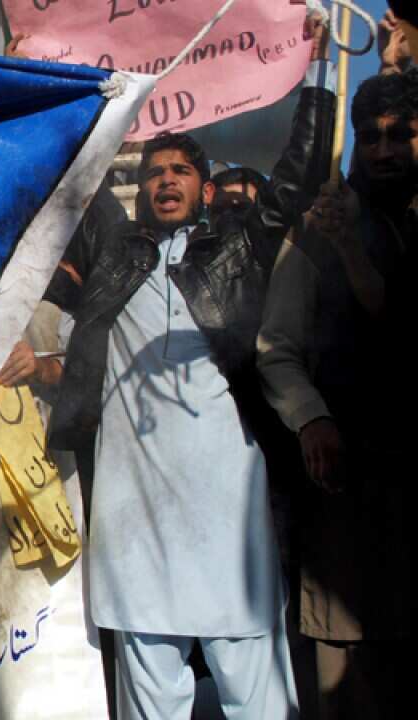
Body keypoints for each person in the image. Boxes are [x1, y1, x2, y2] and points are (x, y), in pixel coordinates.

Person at [43, 133, 301, 719]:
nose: (165, 181)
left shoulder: (238, 254)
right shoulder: (113, 256)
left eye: (181, 171)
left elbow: (289, 186)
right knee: (148, 679)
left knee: (251, 676)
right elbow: (73, 190)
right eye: (156, 172)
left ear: (205, 190)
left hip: (227, 509)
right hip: (137, 510)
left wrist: (315, 74)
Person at [256, 68, 417, 720]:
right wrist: (310, 418)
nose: (383, 149)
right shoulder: (316, 225)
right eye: (370, 136)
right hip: (349, 492)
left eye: (401, 134)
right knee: (350, 679)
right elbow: (276, 348)